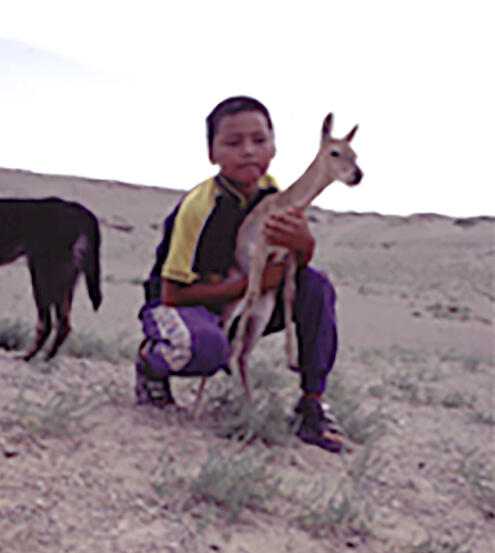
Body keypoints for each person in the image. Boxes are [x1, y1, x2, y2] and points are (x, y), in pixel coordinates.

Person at [136, 96, 345, 452]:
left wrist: (304, 245)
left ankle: (312, 402)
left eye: (259, 141)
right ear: (212, 153)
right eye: (233, 143)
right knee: (205, 348)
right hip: (183, 305)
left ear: (274, 146)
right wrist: (249, 285)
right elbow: (170, 292)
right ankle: (150, 363)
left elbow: (289, 263)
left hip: (239, 300)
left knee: (316, 285)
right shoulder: (198, 207)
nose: (248, 151)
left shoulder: (274, 194)